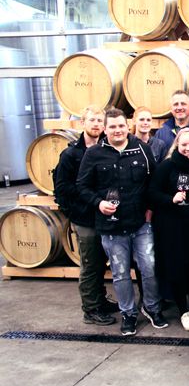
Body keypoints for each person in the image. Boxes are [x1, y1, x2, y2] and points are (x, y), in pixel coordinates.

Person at [76, 107, 168, 336]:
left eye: (121, 126)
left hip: (140, 223)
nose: (117, 130)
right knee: (120, 273)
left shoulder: (142, 149)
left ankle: (152, 308)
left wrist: (150, 209)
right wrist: (98, 203)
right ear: (105, 129)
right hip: (111, 226)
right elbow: (82, 186)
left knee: (148, 268)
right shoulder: (94, 154)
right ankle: (128, 313)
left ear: (128, 126)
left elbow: (153, 184)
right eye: (112, 127)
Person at [54, 105, 118, 326]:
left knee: (101, 262)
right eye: (92, 120)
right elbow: (61, 190)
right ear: (83, 123)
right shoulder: (71, 154)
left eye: (100, 121)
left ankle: (100, 300)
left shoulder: (106, 150)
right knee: (90, 264)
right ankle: (90, 310)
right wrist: (77, 211)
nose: (96, 124)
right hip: (85, 218)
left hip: (104, 217)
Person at [148, 128, 189, 331]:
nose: (188, 148)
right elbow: (151, 193)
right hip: (173, 227)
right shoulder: (167, 166)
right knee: (178, 268)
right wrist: (171, 199)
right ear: (177, 145)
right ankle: (183, 311)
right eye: (184, 145)